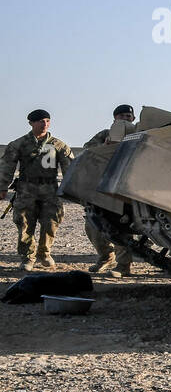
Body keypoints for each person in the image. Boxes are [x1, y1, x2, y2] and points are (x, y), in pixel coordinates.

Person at [0, 110, 75, 272]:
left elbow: (71, 170)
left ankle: (44, 253)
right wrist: (2, 187)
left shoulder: (58, 145)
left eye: (47, 121)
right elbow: (7, 167)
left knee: (51, 223)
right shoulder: (18, 144)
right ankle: (28, 257)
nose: (45, 124)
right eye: (41, 121)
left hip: (50, 190)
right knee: (25, 223)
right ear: (31, 123)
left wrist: (73, 190)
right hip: (27, 189)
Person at [84, 104, 137, 275]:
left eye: (128, 117)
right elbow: (87, 151)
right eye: (121, 116)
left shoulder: (140, 135)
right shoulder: (104, 135)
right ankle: (105, 256)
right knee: (92, 226)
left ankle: (123, 265)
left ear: (133, 119)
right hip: (104, 187)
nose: (125, 119)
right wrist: (105, 147)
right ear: (115, 119)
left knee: (122, 226)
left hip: (127, 189)